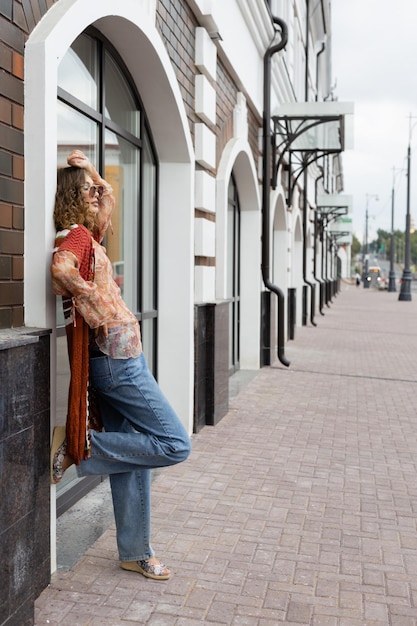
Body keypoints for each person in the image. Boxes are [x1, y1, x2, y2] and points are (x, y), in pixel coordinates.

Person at [50, 150, 191, 580]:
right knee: (174, 444)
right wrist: (97, 304)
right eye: (88, 191)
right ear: (73, 197)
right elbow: (60, 270)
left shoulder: (90, 233)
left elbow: (109, 197)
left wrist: (93, 172)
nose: (97, 195)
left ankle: (135, 551)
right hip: (118, 361)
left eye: (95, 190)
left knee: (135, 460)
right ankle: (79, 447)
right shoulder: (74, 237)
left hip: (119, 357)